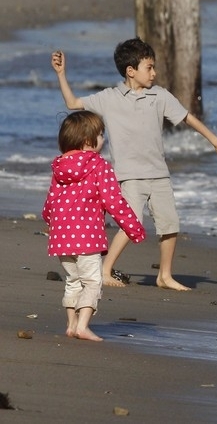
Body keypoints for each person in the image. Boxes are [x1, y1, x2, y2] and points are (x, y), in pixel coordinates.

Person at [50, 37, 217, 291]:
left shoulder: (159, 96)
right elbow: (72, 104)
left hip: (159, 173)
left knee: (170, 224)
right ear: (131, 71)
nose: (154, 73)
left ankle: (165, 275)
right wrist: (62, 74)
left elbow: (187, 118)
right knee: (131, 223)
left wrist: (215, 140)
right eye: (149, 67)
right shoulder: (109, 98)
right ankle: (105, 270)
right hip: (128, 175)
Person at [42, 111, 146, 341]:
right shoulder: (99, 165)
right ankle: (82, 326)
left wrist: (51, 221)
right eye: (100, 135)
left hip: (61, 238)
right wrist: (134, 229)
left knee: (73, 280)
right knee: (92, 281)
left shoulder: (59, 167)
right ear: (88, 141)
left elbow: (50, 202)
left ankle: (71, 324)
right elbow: (114, 202)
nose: (103, 139)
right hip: (87, 237)